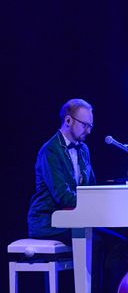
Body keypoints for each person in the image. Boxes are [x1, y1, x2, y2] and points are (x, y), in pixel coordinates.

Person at [28, 98, 97, 241]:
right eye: (85, 125)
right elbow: (62, 196)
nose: (89, 131)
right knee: (96, 242)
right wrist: (93, 202)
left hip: (73, 218)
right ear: (68, 121)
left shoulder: (83, 149)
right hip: (48, 222)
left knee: (116, 241)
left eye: (91, 126)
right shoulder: (51, 150)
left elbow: (91, 187)